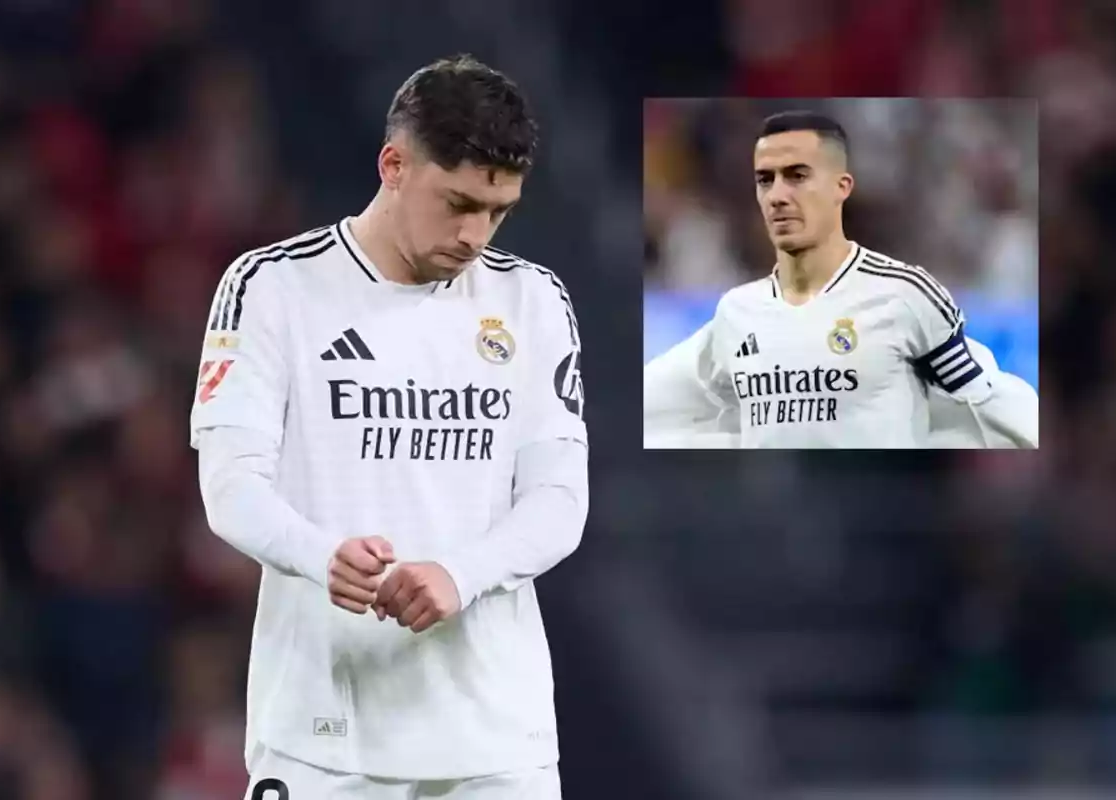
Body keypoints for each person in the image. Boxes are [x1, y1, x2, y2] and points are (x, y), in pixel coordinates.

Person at [190, 54, 587, 799]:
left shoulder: (532, 301)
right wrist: (321, 555)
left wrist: (459, 576)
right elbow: (230, 485)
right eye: (459, 203)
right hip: (322, 740)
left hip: (497, 746)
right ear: (394, 164)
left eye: (499, 211)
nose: (477, 234)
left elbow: (560, 501)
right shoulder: (273, 287)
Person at [642, 110, 1038, 449]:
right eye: (766, 180)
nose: (779, 195)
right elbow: (655, 407)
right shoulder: (736, 312)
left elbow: (995, 408)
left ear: (840, 187)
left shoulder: (907, 298)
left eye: (797, 176)